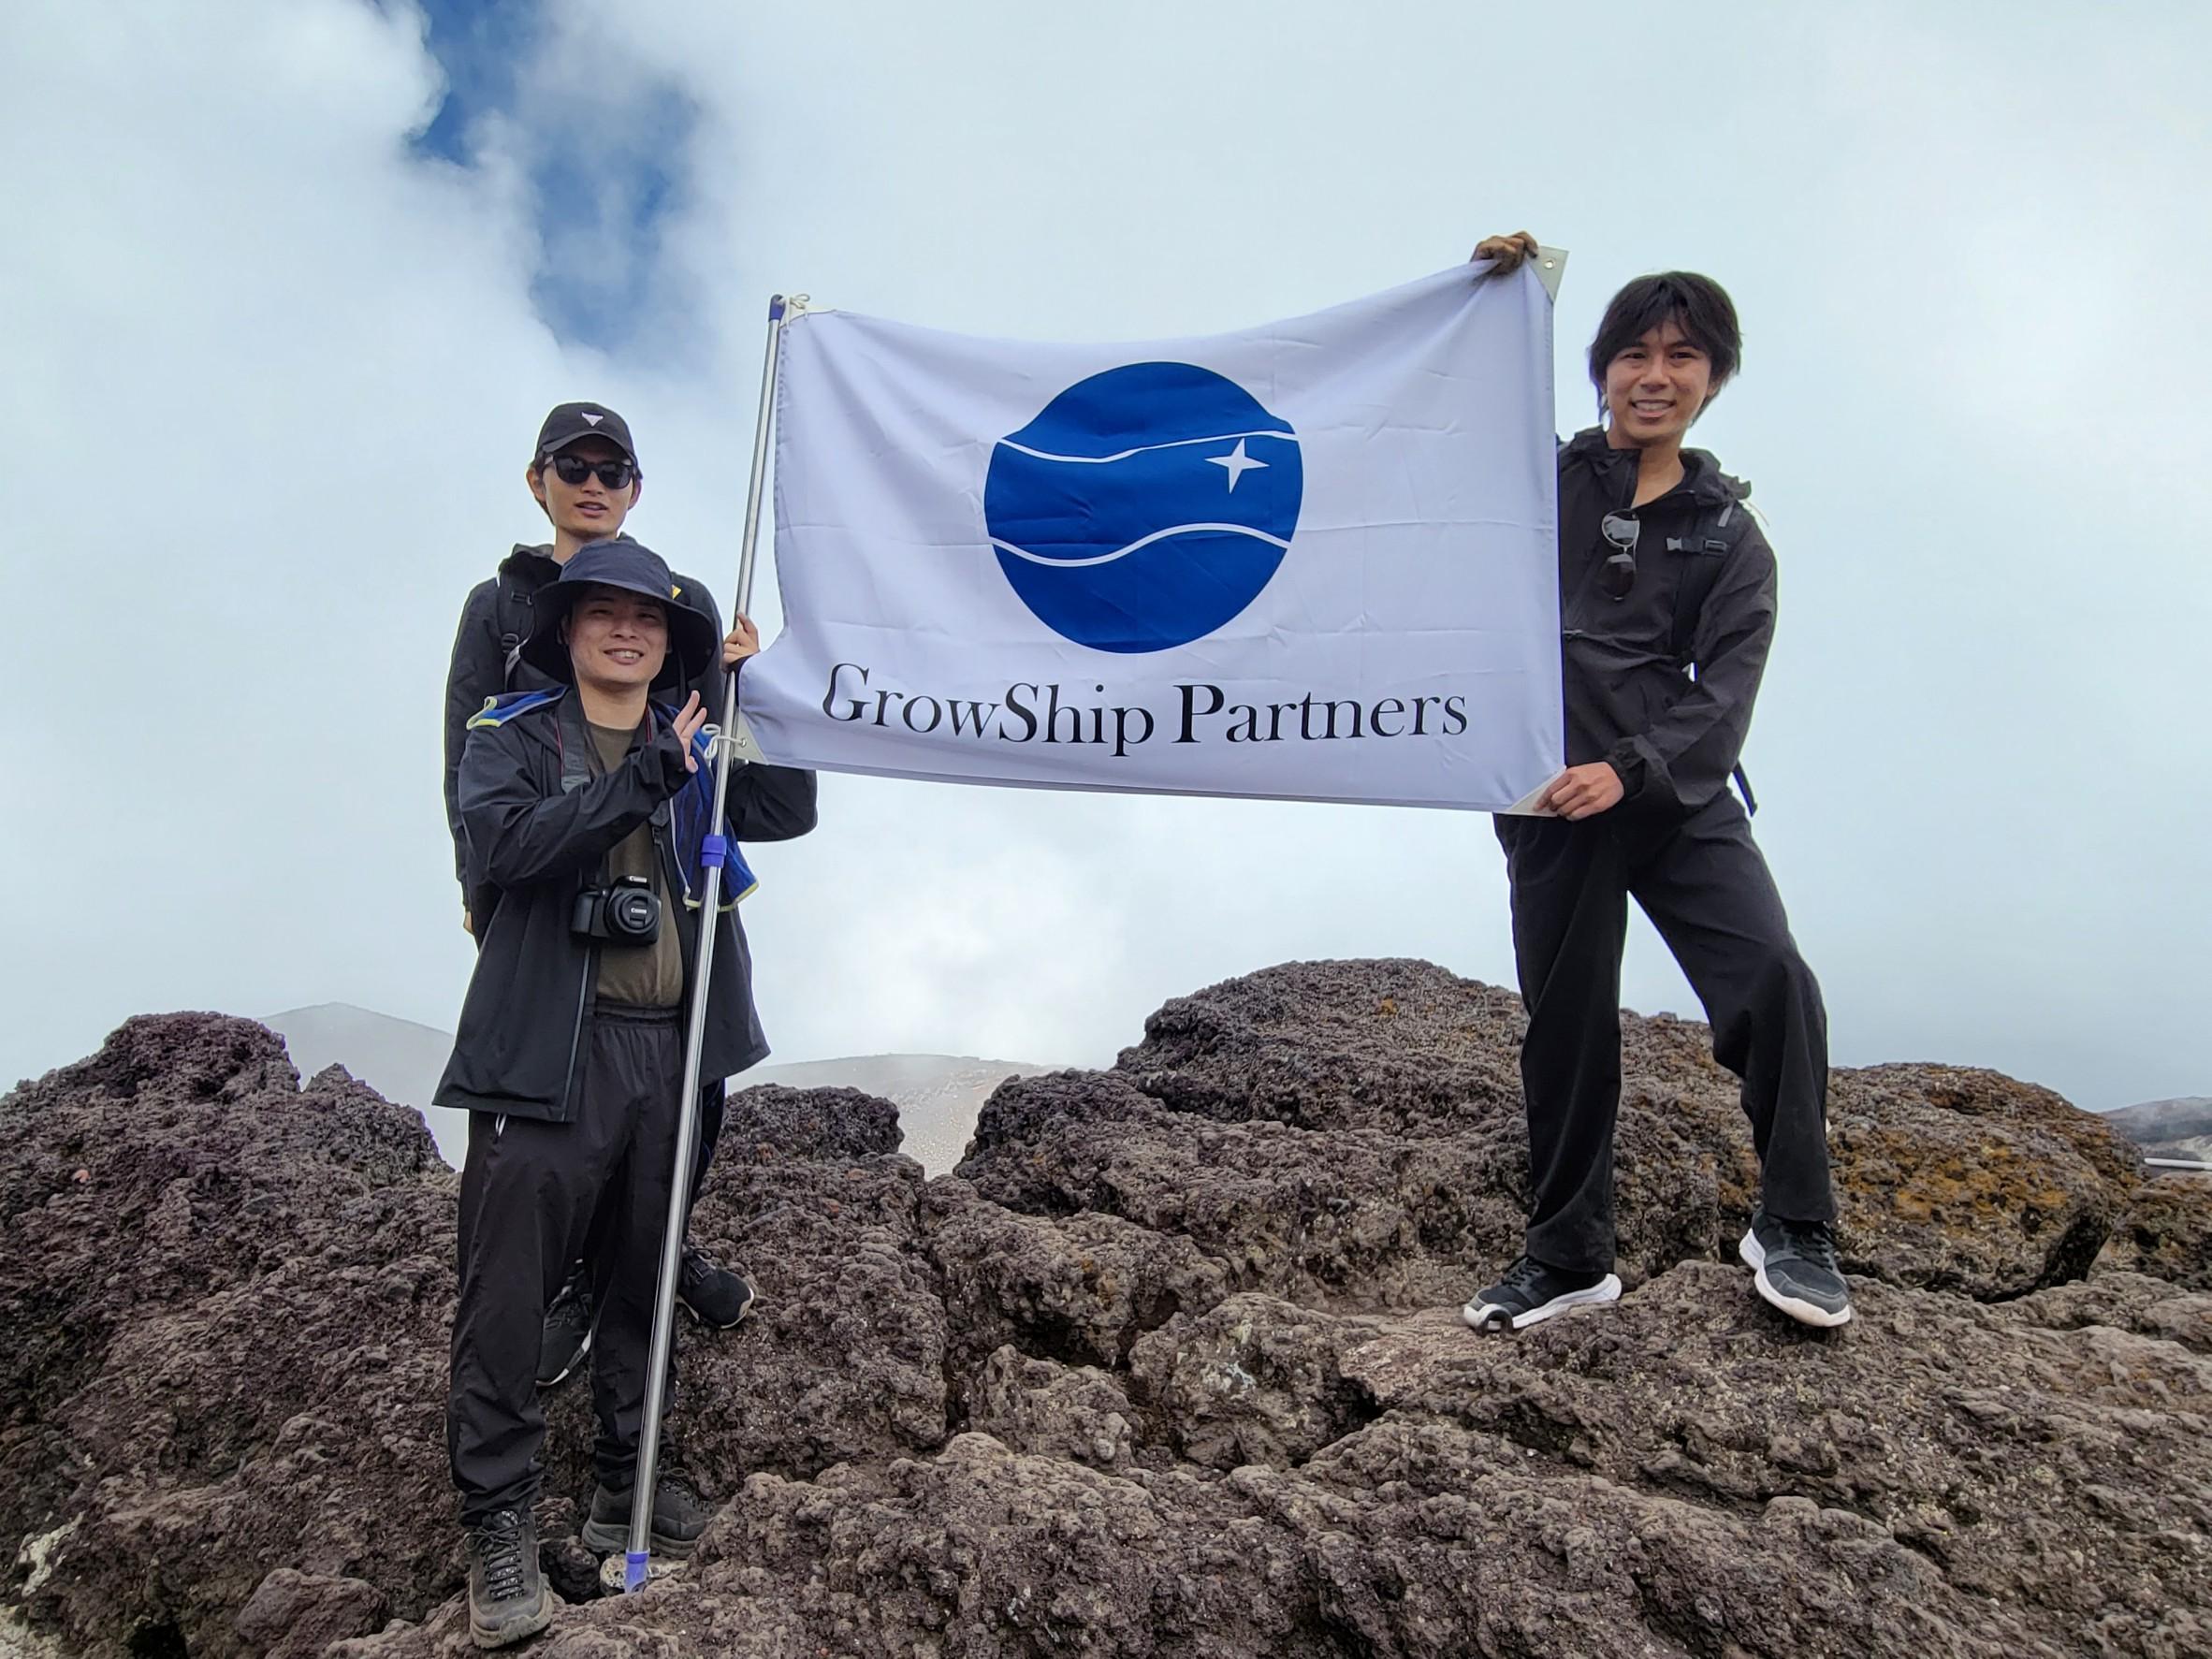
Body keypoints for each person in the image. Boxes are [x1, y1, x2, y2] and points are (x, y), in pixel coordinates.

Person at [1461, 231, 1851, 1334]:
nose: (1655, 373)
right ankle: (1570, 1254)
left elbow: (1723, 698)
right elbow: (1448, 426)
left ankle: (1798, 1227)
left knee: (1774, 977)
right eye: (1633, 351)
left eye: (1683, 356)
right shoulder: (1541, 484)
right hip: (1549, 800)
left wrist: (1629, 769)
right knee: (1569, 1023)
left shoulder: (1732, 538)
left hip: (1674, 798)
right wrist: (1505, 291)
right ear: (1600, 370)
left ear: (1711, 380)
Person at [435, 539, 818, 1647]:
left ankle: (623, 1492)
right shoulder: (511, 737)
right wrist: (647, 775)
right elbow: (507, 848)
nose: (625, 629)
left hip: (675, 1051)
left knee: (645, 1279)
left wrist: (766, 697)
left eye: (647, 618)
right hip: (548, 1053)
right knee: (509, 1295)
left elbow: (786, 807)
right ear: (567, 630)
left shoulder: (696, 742)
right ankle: (497, 1524)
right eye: (602, 612)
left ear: (669, 641)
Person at [443, 402, 754, 1391]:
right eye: (569, 465)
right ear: (536, 480)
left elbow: (716, 745)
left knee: (686, 1090)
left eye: (611, 468)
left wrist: (749, 682)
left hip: (665, 874)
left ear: (634, 489)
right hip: (544, 871)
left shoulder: (679, 598)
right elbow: (464, 748)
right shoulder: (501, 604)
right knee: (546, 1091)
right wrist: (478, 881)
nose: (591, 482)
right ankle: (570, 1276)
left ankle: (654, 1246)